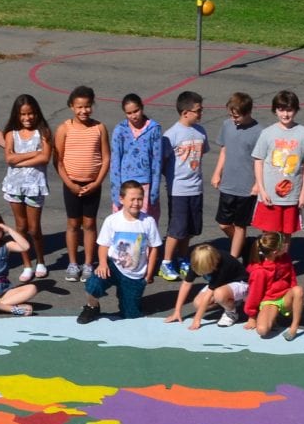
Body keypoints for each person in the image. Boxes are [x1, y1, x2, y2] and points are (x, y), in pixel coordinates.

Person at [78, 179, 160, 323]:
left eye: (140, 199)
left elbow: (154, 248)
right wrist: (102, 264)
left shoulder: (148, 222)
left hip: (135, 273)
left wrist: (149, 273)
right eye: (132, 199)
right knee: (93, 284)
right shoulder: (112, 220)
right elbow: (103, 245)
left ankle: (126, 297)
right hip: (113, 266)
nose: (136, 203)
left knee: (131, 315)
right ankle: (92, 306)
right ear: (122, 199)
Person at [250, 90, 304, 254]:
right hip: (270, 195)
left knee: (287, 234)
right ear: (275, 110)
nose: (285, 114)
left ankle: (283, 261)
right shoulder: (267, 133)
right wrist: (261, 189)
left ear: (296, 110)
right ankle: (268, 261)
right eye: (281, 109)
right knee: (268, 233)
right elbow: (258, 161)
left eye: (289, 110)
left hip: (292, 195)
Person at [53, 86, 109, 281]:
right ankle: (72, 263)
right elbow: (58, 161)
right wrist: (70, 184)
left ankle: (88, 263)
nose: (84, 111)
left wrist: (97, 182)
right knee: (73, 224)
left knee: (90, 224)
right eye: (79, 107)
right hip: (72, 184)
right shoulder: (64, 129)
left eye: (87, 106)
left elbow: (106, 157)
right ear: (71, 107)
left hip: (92, 185)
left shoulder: (99, 128)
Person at [0, 94, 53, 279]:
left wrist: (19, 161)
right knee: (20, 227)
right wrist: (34, 153)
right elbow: (9, 158)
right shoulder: (11, 134)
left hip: (35, 186)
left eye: (30, 113)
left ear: (36, 113)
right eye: (23, 114)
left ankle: (40, 261)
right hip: (15, 186)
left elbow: (45, 158)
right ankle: (27, 264)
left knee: (34, 228)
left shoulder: (43, 132)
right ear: (17, 115)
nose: (27, 118)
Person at [160, 90, 209, 281]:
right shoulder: (171, 135)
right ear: (185, 112)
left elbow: (201, 154)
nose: (201, 113)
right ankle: (166, 263)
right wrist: (171, 180)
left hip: (196, 188)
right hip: (178, 190)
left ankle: (182, 258)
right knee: (176, 229)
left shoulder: (201, 132)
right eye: (198, 110)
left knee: (189, 228)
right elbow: (163, 162)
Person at [210, 91, 261, 260]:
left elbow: (259, 160)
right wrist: (217, 173)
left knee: (240, 225)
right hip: (228, 184)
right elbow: (224, 150)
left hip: (246, 187)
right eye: (231, 115)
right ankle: (245, 246)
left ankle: (233, 259)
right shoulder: (227, 125)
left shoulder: (259, 132)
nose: (233, 119)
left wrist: (257, 184)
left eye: (237, 116)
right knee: (224, 224)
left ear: (248, 112)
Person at [109, 92, 163, 223]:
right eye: (129, 113)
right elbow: (115, 160)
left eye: (136, 111)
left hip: (145, 183)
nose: (133, 116)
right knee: (125, 221)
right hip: (125, 183)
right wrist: (116, 191)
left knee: (143, 221)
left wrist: (154, 191)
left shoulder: (153, 129)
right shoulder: (120, 130)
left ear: (142, 108)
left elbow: (157, 161)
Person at [240, 231, 303, 339]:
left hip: (285, 296)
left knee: (298, 290)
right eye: (283, 244)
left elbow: (292, 278)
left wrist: (293, 300)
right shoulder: (259, 271)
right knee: (262, 330)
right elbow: (254, 295)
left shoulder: (285, 257)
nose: (286, 245)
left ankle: (294, 327)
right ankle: (272, 318)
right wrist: (252, 316)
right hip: (269, 300)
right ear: (275, 252)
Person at [169, 245, 247, 330]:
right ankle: (229, 301)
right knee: (198, 303)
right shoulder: (198, 261)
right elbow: (186, 284)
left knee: (219, 294)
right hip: (222, 284)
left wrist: (197, 319)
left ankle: (231, 313)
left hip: (241, 283)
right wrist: (177, 311)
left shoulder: (223, 264)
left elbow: (208, 294)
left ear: (213, 264)